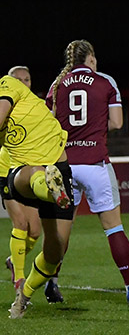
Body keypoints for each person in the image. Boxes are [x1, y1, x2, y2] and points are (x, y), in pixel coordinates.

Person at [47, 39, 129, 307]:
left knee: (60, 233)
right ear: (90, 58)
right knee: (114, 228)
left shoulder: (57, 85)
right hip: (95, 164)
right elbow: (117, 122)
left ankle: (51, 283)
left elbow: (48, 123)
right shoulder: (105, 82)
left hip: (64, 165)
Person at [1, 72, 75, 319]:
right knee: (33, 175)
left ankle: (23, 297)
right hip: (22, 170)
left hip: (57, 163)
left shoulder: (7, 84)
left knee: (56, 250)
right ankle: (48, 184)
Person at [2, 66, 44, 298]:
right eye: (18, 80)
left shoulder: (35, 106)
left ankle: (12, 260)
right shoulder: (4, 104)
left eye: (27, 79)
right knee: (20, 224)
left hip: (27, 173)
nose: (23, 83)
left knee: (35, 231)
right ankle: (19, 278)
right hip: (5, 170)